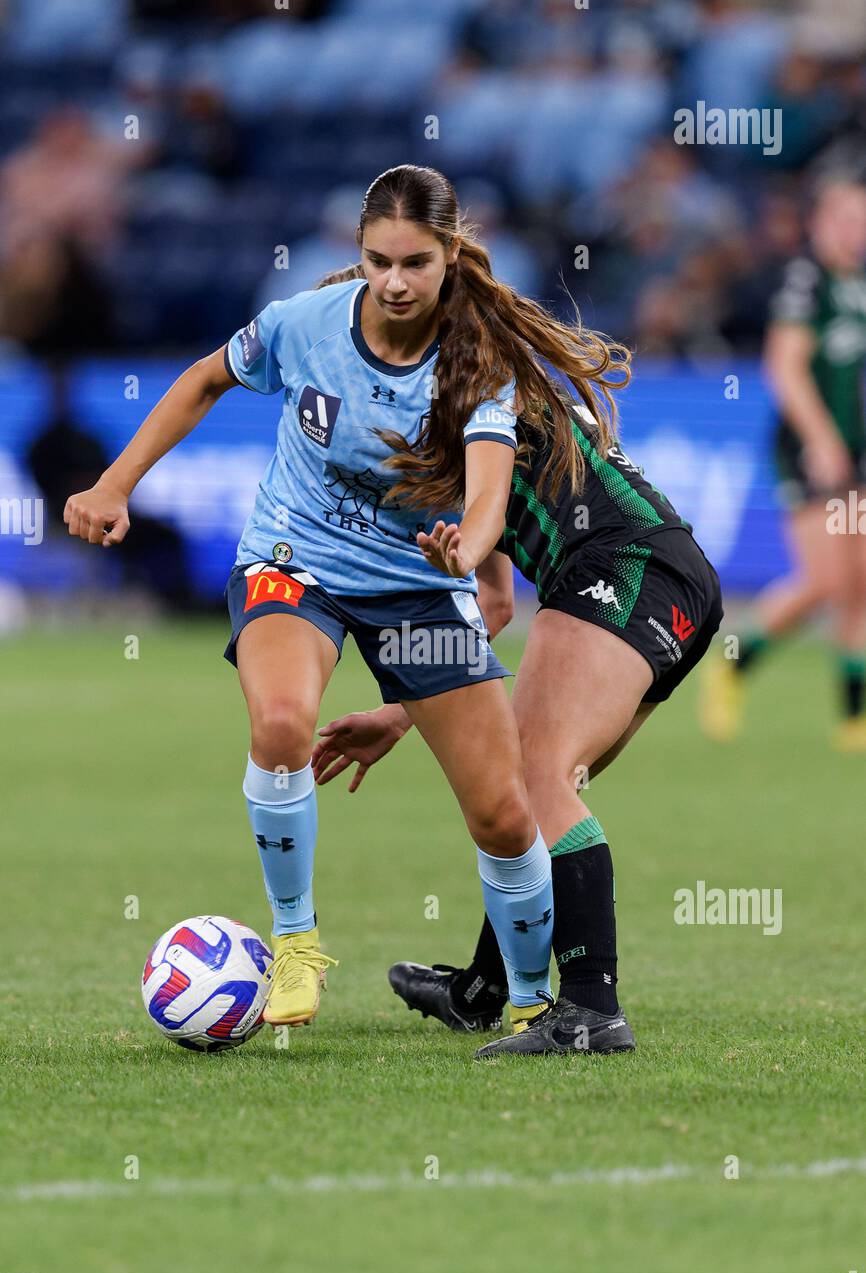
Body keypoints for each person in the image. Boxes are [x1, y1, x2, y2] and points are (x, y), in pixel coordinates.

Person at [62, 163, 629, 1042]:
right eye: (377, 261)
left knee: (504, 811)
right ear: (356, 255)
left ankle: (526, 1002)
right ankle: (294, 941)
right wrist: (114, 484)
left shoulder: (478, 362)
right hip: (296, 560)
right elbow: (206, 379)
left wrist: (468, 552)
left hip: (417, 587)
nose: (394, 282)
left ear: (451, 258)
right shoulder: (304, 323)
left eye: (415, 263)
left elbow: (485, 502)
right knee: (283, 722)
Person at [312, 335, 724, 1058]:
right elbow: (495, 608)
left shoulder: (471, 391)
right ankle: (483, 991)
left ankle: (593, 1010)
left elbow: (477, 546)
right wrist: (397, 716)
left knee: (533, 779)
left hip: (623, 568)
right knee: (530, 792)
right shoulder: (467, 405)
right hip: (666, 580)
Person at [701, 176, 866, 751]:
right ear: (819, 222)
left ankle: (852, 718)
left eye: (861, 220)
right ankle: (732, 663)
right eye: (844, 218)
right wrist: (821, 440)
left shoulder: (858, 284)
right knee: (824, 581)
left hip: (859, 451)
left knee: (859, 585)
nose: (855, 231)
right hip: (809, 452)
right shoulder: (807, 281)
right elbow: (785, 366)